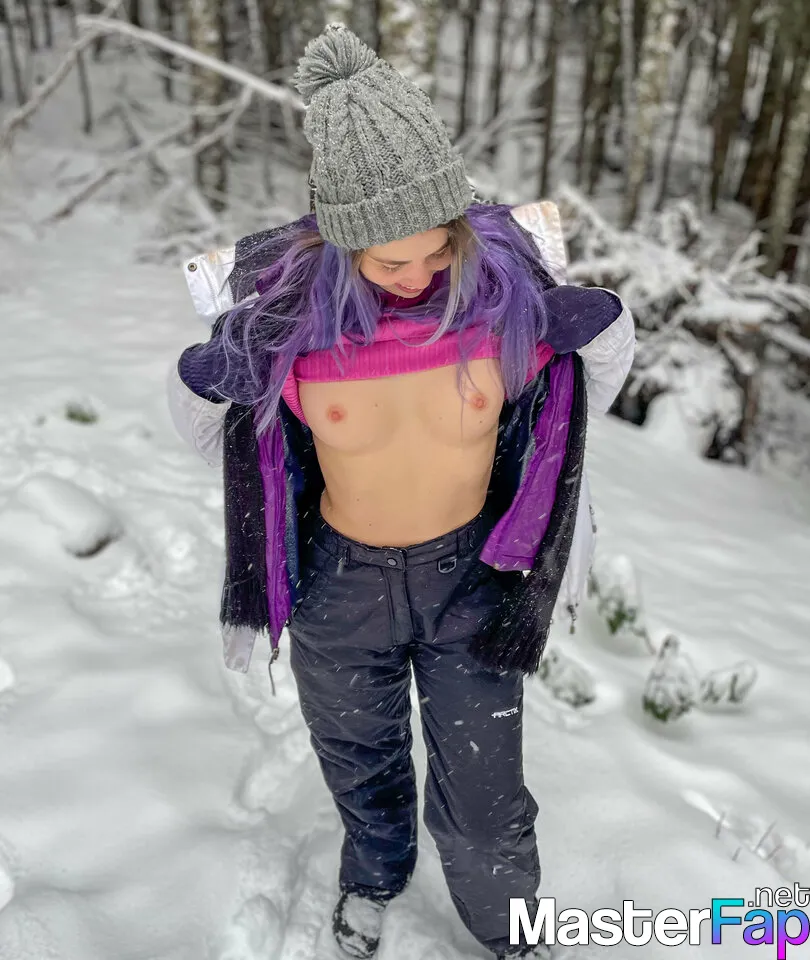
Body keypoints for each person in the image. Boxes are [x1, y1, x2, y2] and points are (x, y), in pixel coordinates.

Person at [168, 23, 634, 960]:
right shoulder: (293, 336)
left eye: (437, 252)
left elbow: (583, 404)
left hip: (471, 582)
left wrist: (602, 328)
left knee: (487, 793)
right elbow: (214, 443)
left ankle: (512, 933)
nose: (420, 278)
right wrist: (203, 382)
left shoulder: (502, 313)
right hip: (340, 587)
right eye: (390, 263)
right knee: (360, 758)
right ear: (343, 247)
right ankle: (374, 875)